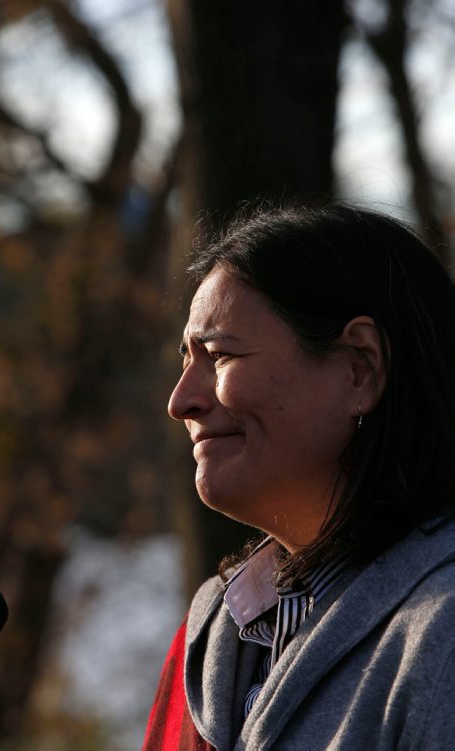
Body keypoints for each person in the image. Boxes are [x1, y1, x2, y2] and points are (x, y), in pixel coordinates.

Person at [143, 203, 455, 750]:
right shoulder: (216, 632)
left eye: (217, 356)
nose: (181, 402)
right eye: (184, 360)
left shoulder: (442, 632)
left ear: (359, 368)